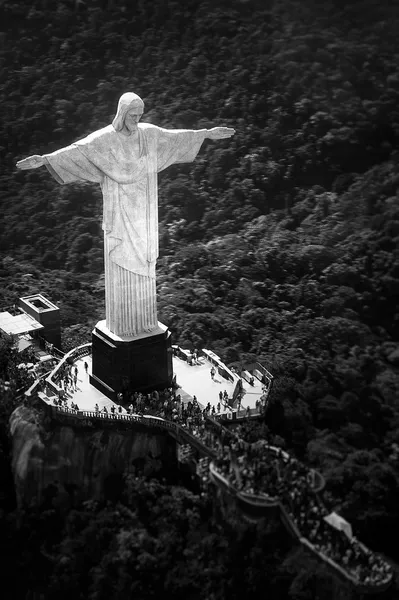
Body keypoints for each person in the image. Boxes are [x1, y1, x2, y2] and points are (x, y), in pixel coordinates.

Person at [17, 93, 235, 337]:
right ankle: (123, 326)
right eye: (132, 115)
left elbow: (174, 138)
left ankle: (145, 325)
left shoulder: (148, 134)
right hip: (120, 211)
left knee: (143, 262)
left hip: (144, 211)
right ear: (121, 114)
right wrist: (45, 160)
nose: (136, 119)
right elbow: (78, 151)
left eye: (140, 115)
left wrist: (205, 133)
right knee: (121, 260)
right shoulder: (105, 140)